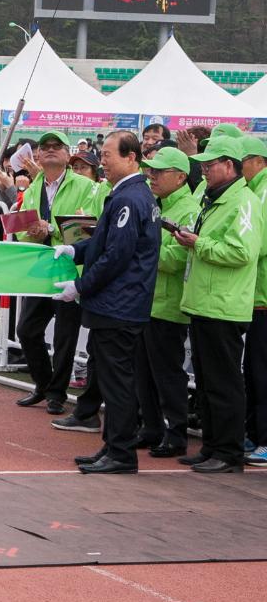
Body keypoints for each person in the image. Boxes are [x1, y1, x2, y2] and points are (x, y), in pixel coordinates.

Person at [52, 131, 160, 474]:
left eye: (110, 154)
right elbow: (102, 240)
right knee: (111, 378)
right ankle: (112, 446)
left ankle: (122, 453)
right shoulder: (125, 195)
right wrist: (75, 249)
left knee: (117, 382)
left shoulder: (130, 198)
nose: (104, 161)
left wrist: (80, 285)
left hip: (120, 305)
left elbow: (117, 256)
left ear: (131, 157)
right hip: (115, 305)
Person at [174, 135, 261, 472]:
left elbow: (242, 252)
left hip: (223, 305)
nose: (205, 170)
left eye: (210, 165)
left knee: (223, 383)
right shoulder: (216, 199)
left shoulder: (244, 202)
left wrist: (199, 243)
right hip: (204, 301)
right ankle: (212, 446)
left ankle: (228, 452)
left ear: (230, 166)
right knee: (209, 383)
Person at [12, 131, 98, 416]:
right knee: (26, 329)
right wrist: (32, 232)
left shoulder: (86, 186)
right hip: (40, 268)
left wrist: (51, 230)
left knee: (65, 335)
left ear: (67, 153)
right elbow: (21, 229)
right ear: (38, 155)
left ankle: (57, 393)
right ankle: (43, 384)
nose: (49, 151)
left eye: (56, 146)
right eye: (45, 147)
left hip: (70, 269)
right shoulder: (34, 186)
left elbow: (89, 229)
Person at [136, 145, 201, 459]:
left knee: (167, 373)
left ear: (180, 176)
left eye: (159, 171)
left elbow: (175, 259)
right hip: (148, 301)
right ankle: (152, 429)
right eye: (150, 169)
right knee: (145, 372)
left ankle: (176, 434)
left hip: (169, 304)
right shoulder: (156, 204)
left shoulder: (188, 208)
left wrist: (138, 254)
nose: (152, 176)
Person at [239, 136, 267, 466]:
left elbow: (256, 245)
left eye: (240, 160)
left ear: (258, 160)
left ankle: (263, 438)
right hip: (256, 295)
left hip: (262, 295)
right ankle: (255, 432)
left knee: (260, 371)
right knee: (252, 371)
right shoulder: (255, 190)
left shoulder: (259, 192)